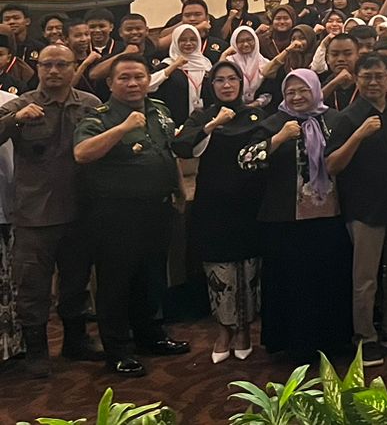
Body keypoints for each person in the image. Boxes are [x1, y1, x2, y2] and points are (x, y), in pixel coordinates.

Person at [71, 56, 191, 376]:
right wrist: (122, 128)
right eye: (124, 78)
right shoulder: (99, 116)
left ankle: (150, 336)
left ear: (149, 79)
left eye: (139, 76)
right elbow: (82, 153)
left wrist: (179, 189)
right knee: (116, 282)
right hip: (116, 213)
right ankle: (118, 350)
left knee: (152, 276)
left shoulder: (159, 110)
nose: (133, 83)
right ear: (110, 83)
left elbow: (167, 153)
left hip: (157, 208)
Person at [0, 44, 103, 377]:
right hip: (35, 215)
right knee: (32, 287)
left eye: (61, 64)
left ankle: (76, 341)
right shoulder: (21, 104)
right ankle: (37, 350)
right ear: (38, 68)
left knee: (76, 282)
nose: (54, 71)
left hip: (80, 211)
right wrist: (14, 120)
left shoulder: (90, 104)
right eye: (47, 65)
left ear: (74, 67)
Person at [326, 52, 387, 361]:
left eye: (379, 76)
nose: (373, 82)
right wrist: (359, 135)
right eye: (366, 76)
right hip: (365, 209)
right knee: (365, 279)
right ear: (357, 79)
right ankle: (365, 336)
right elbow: (332, 165)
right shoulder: (347, 117)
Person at [249, 69, 353, 359]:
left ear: (316, 90)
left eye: (303, 90)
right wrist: (278, 139)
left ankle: (333, 340)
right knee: (293, 284)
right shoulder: (274, 122)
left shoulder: (334, 120)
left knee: (329, 280)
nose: (296, 97)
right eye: (290, 92)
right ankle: (295, 344)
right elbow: (246, 160)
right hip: (285, 221)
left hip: (329, 217)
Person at [172, 61, 272, 362]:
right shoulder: (202, 116)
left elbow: (263, 151)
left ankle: (243, 330)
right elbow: (181, 146)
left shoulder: (255, 115)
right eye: (219, 80)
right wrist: (212, 125)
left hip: (249, 203)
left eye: (232, 79)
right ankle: (223, 330)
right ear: (211, 84)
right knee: (219, 270)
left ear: (241, 83)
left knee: (248, 270)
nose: (226, 85)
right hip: (213, 204)